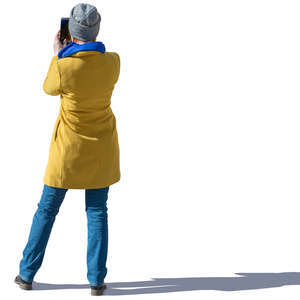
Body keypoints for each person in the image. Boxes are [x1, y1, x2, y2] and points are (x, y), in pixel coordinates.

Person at [14, 3, 121, 296]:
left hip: (67, 153)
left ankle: (26, 274)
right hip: (102, 151)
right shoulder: (113, 62)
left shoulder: (63, 66)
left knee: (46, 210)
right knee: (97, 212)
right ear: (96, 30)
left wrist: (58, 53)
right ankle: (97, 281)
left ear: (70, 33)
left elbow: (49, 88)